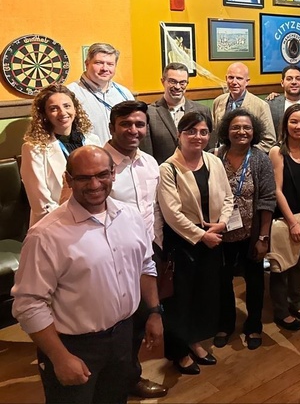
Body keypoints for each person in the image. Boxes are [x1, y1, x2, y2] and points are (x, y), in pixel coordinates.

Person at [12, 146, 161, 404]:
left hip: (124, 336)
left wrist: (155, 312)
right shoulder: (45, 235)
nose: (94, 184)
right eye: (83, 177)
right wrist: (59, 357)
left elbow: (146, 265)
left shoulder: (131, 216)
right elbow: (28, 304)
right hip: (74, 345)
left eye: (102, 174)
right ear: (68, 180)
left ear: (113, 174)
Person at [156, 112, 233, 375]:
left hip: (213, 238)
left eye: (202, 132)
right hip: (184, 243)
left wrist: (222, 223)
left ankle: (195, 341)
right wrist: (202, 236)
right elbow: (171, 213)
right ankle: (178, 351)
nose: (197, 137)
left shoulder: (213, 161)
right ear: (179, 134)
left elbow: (228, 197)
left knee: (204, 295)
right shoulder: (168, 168)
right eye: (190, 131)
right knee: (180, 299)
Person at [102, 101, 166, 399]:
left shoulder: (150, 163)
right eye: (126, 124)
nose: (133, 130)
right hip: (111, 257)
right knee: (114, 325)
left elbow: (154, 209)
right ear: (112, 126)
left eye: (139, 124)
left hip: (148, 253)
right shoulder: (99, 164)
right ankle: (108, 383)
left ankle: (130, 378)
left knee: (139, 321)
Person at [215, 109, 276, 350]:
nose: (241, 132)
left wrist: (263, 236)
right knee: (222, 281)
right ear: (226, 131)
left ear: (254, 132)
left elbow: (268, 200)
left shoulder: (260, 159)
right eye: (236, 127)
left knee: (255, 282)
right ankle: (226, 323)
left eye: (247, 128)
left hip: (251, 235)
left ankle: (253, 326)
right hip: (221, 234)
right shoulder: (216, 157)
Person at [21, 84, 100, 226]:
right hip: (55, 223)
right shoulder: (33, 149)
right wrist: (71, 220)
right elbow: (40, 203)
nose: (63, 112)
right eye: (53, 108)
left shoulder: (92, 140)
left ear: (75, 109)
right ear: (44, 114)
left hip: (94, 217)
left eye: (67, 106)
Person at [269, 105, 300, 331]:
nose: (299, 126)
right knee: (281, 267)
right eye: (294, 122)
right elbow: (277, 190)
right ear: (285, 124)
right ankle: (281, 311)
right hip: (285, 219)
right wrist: (292, 222)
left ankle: (296, 302)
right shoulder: (278, 152)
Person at [142, 63, 214, 164]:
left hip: (195, 174)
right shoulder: (149, 113)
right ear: (163, 82)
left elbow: (208, 151)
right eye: (172, 82)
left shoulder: (202, 111)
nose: (177, 87)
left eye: (182, 82)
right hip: (164, 175)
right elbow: (147, 155)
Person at [67, 43, 135, 144]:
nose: (105, 68)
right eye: (99, 63)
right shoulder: (70, 94)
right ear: (87, 64)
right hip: (88, 157)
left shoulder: (124, 94)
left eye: (110, 64)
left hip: (122, 156)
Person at [212, 62, 276, 153]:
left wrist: (243, 152)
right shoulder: (218, 102)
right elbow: (214, 136)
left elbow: (269, 142)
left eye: (239, 78)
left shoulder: (260, 106)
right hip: (221, 158)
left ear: (247, 81)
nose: (234, 82)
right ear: (226, 79)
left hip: (248, 159)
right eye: (231, 77)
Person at [267, 65, 300, 136]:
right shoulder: (270, 104)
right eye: (289, 79)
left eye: (298, 79)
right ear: (282, 83)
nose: (294, 82)